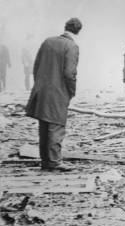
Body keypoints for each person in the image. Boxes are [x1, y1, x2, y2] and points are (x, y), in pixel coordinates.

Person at [25, 18, 82, 172]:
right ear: (78, 31)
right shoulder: (72, 46)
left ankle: (46, 161)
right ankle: (55, 162)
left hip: (42, 90)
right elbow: (70, 73)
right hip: (58, 92)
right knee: (56, 126)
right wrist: (71, 91)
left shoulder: (47, 41)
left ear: (65, 28)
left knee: (44, 126)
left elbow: (36, 66)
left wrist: (39, 84)